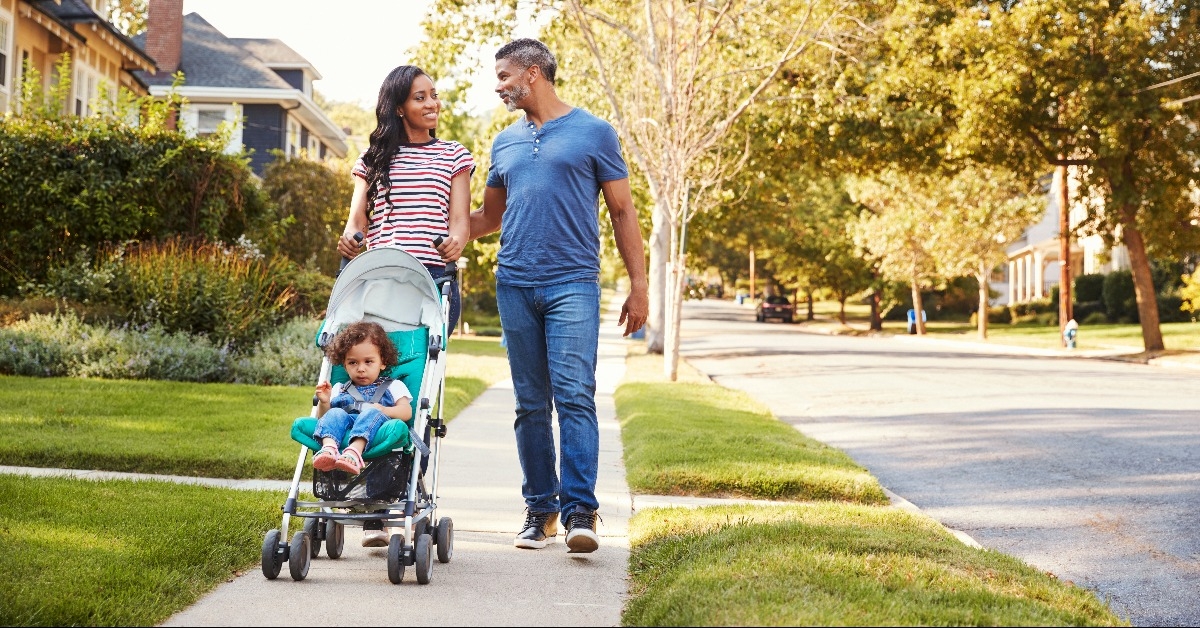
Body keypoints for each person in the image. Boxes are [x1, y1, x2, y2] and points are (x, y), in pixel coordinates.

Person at [469, 38, 649, 554]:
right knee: (529, 405)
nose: (498, 85)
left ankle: (580, 513)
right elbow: (489, 219)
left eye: (504, 76)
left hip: (573, 283)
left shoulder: (594, 132)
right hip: (515, 283)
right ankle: (540, 511)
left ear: (532, 73)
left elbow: (621, 211)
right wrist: (432, 229)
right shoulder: (503, 142)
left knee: (574, 395)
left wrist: (639, 287)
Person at [337, 65, 473, 331]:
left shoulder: (454, 155)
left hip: (433, 278)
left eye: (434, 95)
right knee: (370, 364)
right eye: (420, 98)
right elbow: (356, 222)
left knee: (425, 367)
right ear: (399, 108)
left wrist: (455, 243)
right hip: (378, 277)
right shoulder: (372, 158)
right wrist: (350, 241)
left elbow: (459, 220)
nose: (432, 103)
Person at [312, 321, 413, 547]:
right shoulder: (340, 388)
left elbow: (406, 412)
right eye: (353, 363)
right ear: (344, 364)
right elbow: (324, 419)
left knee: (370, 411)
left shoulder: (393, 386)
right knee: (336, 412)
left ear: (383, 362)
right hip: (343, 429)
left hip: (375, 430)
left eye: (369, 362)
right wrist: (325, 402)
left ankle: (353, 453)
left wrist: (383, 410)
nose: (361, 369)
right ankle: (329, 449)